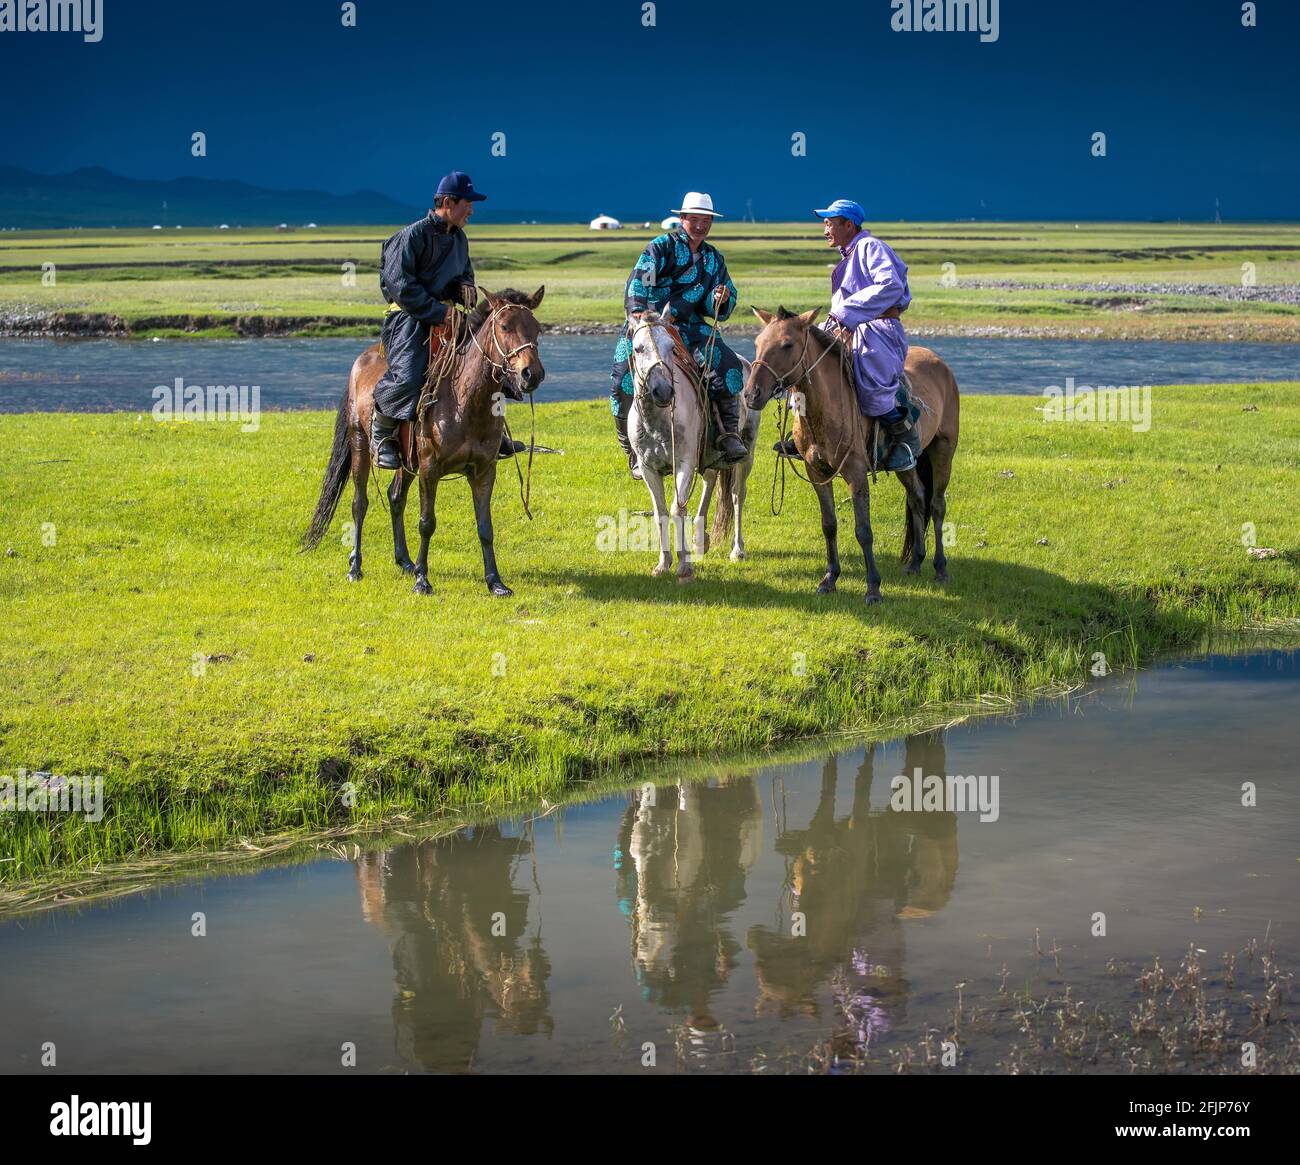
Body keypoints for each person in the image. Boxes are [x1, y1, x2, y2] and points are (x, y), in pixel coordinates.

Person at [371, 171, 523, 468]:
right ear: (449, 202)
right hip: (408, 318)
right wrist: (441, 312)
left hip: (450, 316)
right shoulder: (411, 236)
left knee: (489, 364)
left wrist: (464, 288)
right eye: (468, 203)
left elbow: (464, 275)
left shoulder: (460, 239)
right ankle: (382, 433)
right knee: (410, 373)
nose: (472, 210)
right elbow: (401, 287)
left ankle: (491, 431)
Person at [610, 192, 748, 479]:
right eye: (694, 219)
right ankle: (632, 450)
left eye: (705, 220)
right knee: (621, 377)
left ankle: (728, 435)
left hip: (690, 327)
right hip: (649, 325)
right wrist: (638, 315)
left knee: (728, 367)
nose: (700, 225)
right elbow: (639, 281)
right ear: (682, 219)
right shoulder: (660, 247)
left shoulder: (713, 259)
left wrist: (720, 298)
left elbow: (722, 298)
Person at [774, 199, 920, 471]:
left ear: (848, 225)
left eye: (829, 223)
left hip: (877, 330)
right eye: (825, 223)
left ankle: (904, 440)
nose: (825, 229)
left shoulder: (869, 247)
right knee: (809, 368)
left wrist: (848, 312)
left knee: (872, 382)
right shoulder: (850, 253)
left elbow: (890, 285)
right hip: (848, 326)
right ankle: (804, 433)